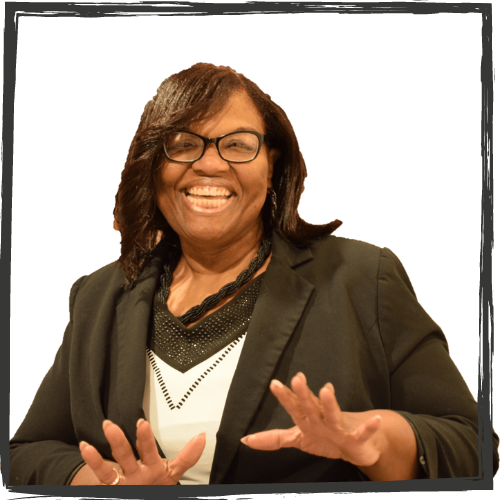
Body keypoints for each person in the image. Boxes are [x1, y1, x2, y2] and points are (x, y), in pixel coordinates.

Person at [9, 63, 498, 485]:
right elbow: (26, 452)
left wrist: (376, 442)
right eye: (183, 144)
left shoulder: (363, 279)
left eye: (237, 145)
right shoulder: (100, 294)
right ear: (153, 165)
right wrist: (104, 478)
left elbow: (472, 444)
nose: (209, 164)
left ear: (272, 165)